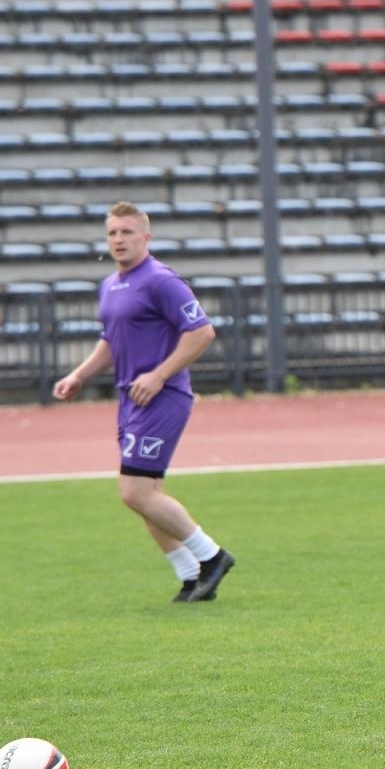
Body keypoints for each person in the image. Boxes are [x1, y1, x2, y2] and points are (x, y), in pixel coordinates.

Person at [52, 202, 235, 603]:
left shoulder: (161, 281)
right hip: (130, 398)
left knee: (134, 492)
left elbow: (201, 332)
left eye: (127, 232)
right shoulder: (110, 285)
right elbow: (111, 342)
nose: (118, 240)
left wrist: (159, 374)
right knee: (147, 495)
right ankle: (190, 577)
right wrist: (79, 375)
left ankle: (212, 555)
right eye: (113, 233)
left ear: (146, 237)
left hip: (162, 397)